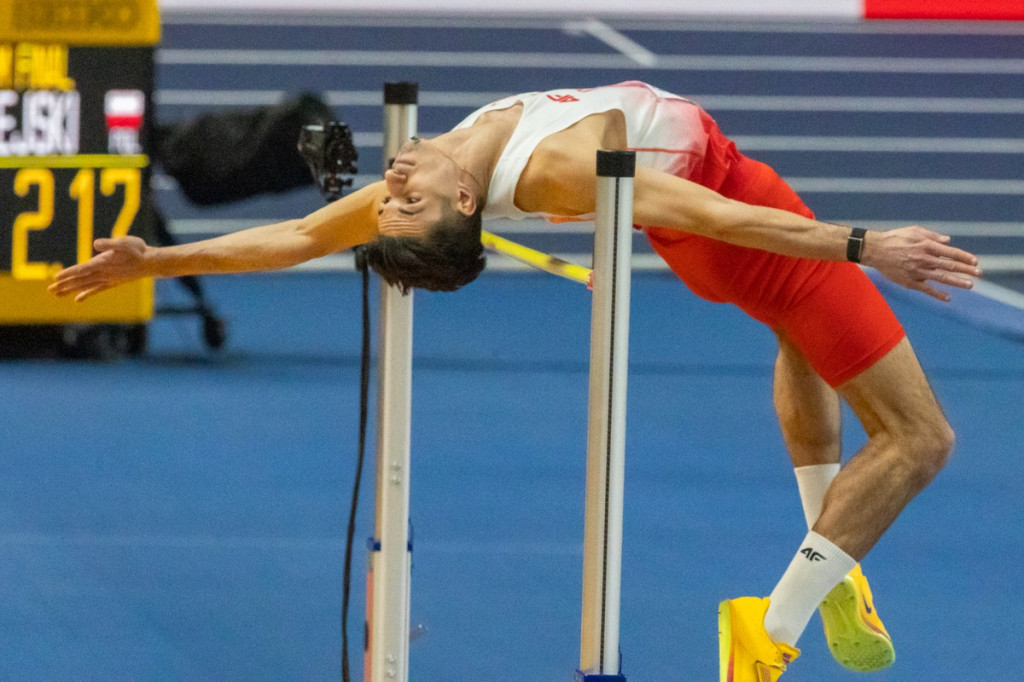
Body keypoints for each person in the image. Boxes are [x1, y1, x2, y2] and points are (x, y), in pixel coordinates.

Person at [50, 80, 981, 681]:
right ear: (464, 206)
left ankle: (835, 572)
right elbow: (723, 218)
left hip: (723, 218)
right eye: (402, 197)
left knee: (797, 337)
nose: (390, 181)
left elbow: (294, 238)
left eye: (394, 198)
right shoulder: (563, 170)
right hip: (735, 217)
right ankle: (770, 629)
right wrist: (867, 244)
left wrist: (149, 265)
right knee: (919, 440)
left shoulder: (436, 178)